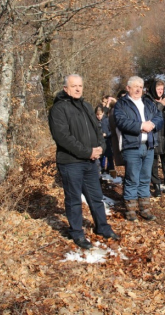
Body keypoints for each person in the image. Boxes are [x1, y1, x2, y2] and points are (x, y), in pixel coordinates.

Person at [48, 74, 119, 249]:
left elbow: (97, 129)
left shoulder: (87, 106)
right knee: (73, 199)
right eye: (74, 86)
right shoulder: (58, 109)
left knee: (95, 196)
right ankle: (77, 233)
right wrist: (87, 152)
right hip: (70, 162)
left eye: (80, 85)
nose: (78, 88)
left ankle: (102, 227)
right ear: (66, 89)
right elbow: (62, 137)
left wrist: (100, 148)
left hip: (90, 162)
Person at [114, 76, 163, 221]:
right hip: (131, 146)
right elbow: (121, 121)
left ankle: (145, 209)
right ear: (128, 88)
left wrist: (152, 125)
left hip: (148, 146)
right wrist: (141, 126)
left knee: (145, 178)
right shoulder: (121, 104)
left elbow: (159, 117)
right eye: (135, 87)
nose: (138, 90)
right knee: (132, 178)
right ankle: (130, 210)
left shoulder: (148, 103)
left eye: (140, 87)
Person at [95, 105, 114, 174]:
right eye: (97, 115)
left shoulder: (107, 120)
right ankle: (100, 172)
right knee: (100, 158)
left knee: (110, 158)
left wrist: (106, 134)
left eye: (100, 114)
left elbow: (112, 131)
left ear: (103, 113)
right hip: (99, 143)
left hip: (107, 142)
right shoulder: (95, 122)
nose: (99, 116)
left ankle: (112, 172)